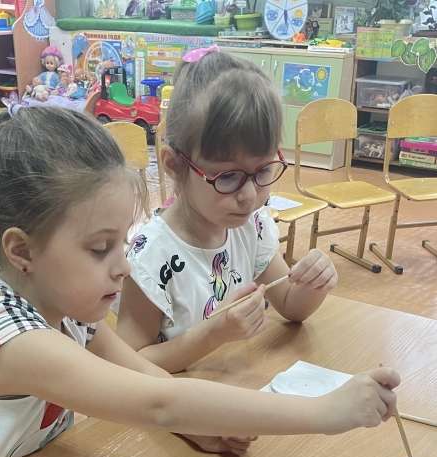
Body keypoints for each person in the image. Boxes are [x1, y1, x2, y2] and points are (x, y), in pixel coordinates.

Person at [0, 105, 399, 457]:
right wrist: (324, 412)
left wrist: (198, 427)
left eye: (121, 243)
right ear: (22, 251)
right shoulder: (15, 340)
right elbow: (161, 405)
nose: (123, 266)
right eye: (100, 248)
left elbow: (153, 382)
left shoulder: (66, 311)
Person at [117, 48, 338, 374]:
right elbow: (129, 366)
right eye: (228, 177)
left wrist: (314, 283)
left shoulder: (251, 227)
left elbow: (291, 306)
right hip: (177, 401)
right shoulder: (150, 257)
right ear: (174, 165)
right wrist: (214, 334)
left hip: (235, 386)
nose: (248, 196)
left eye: (263, 171)